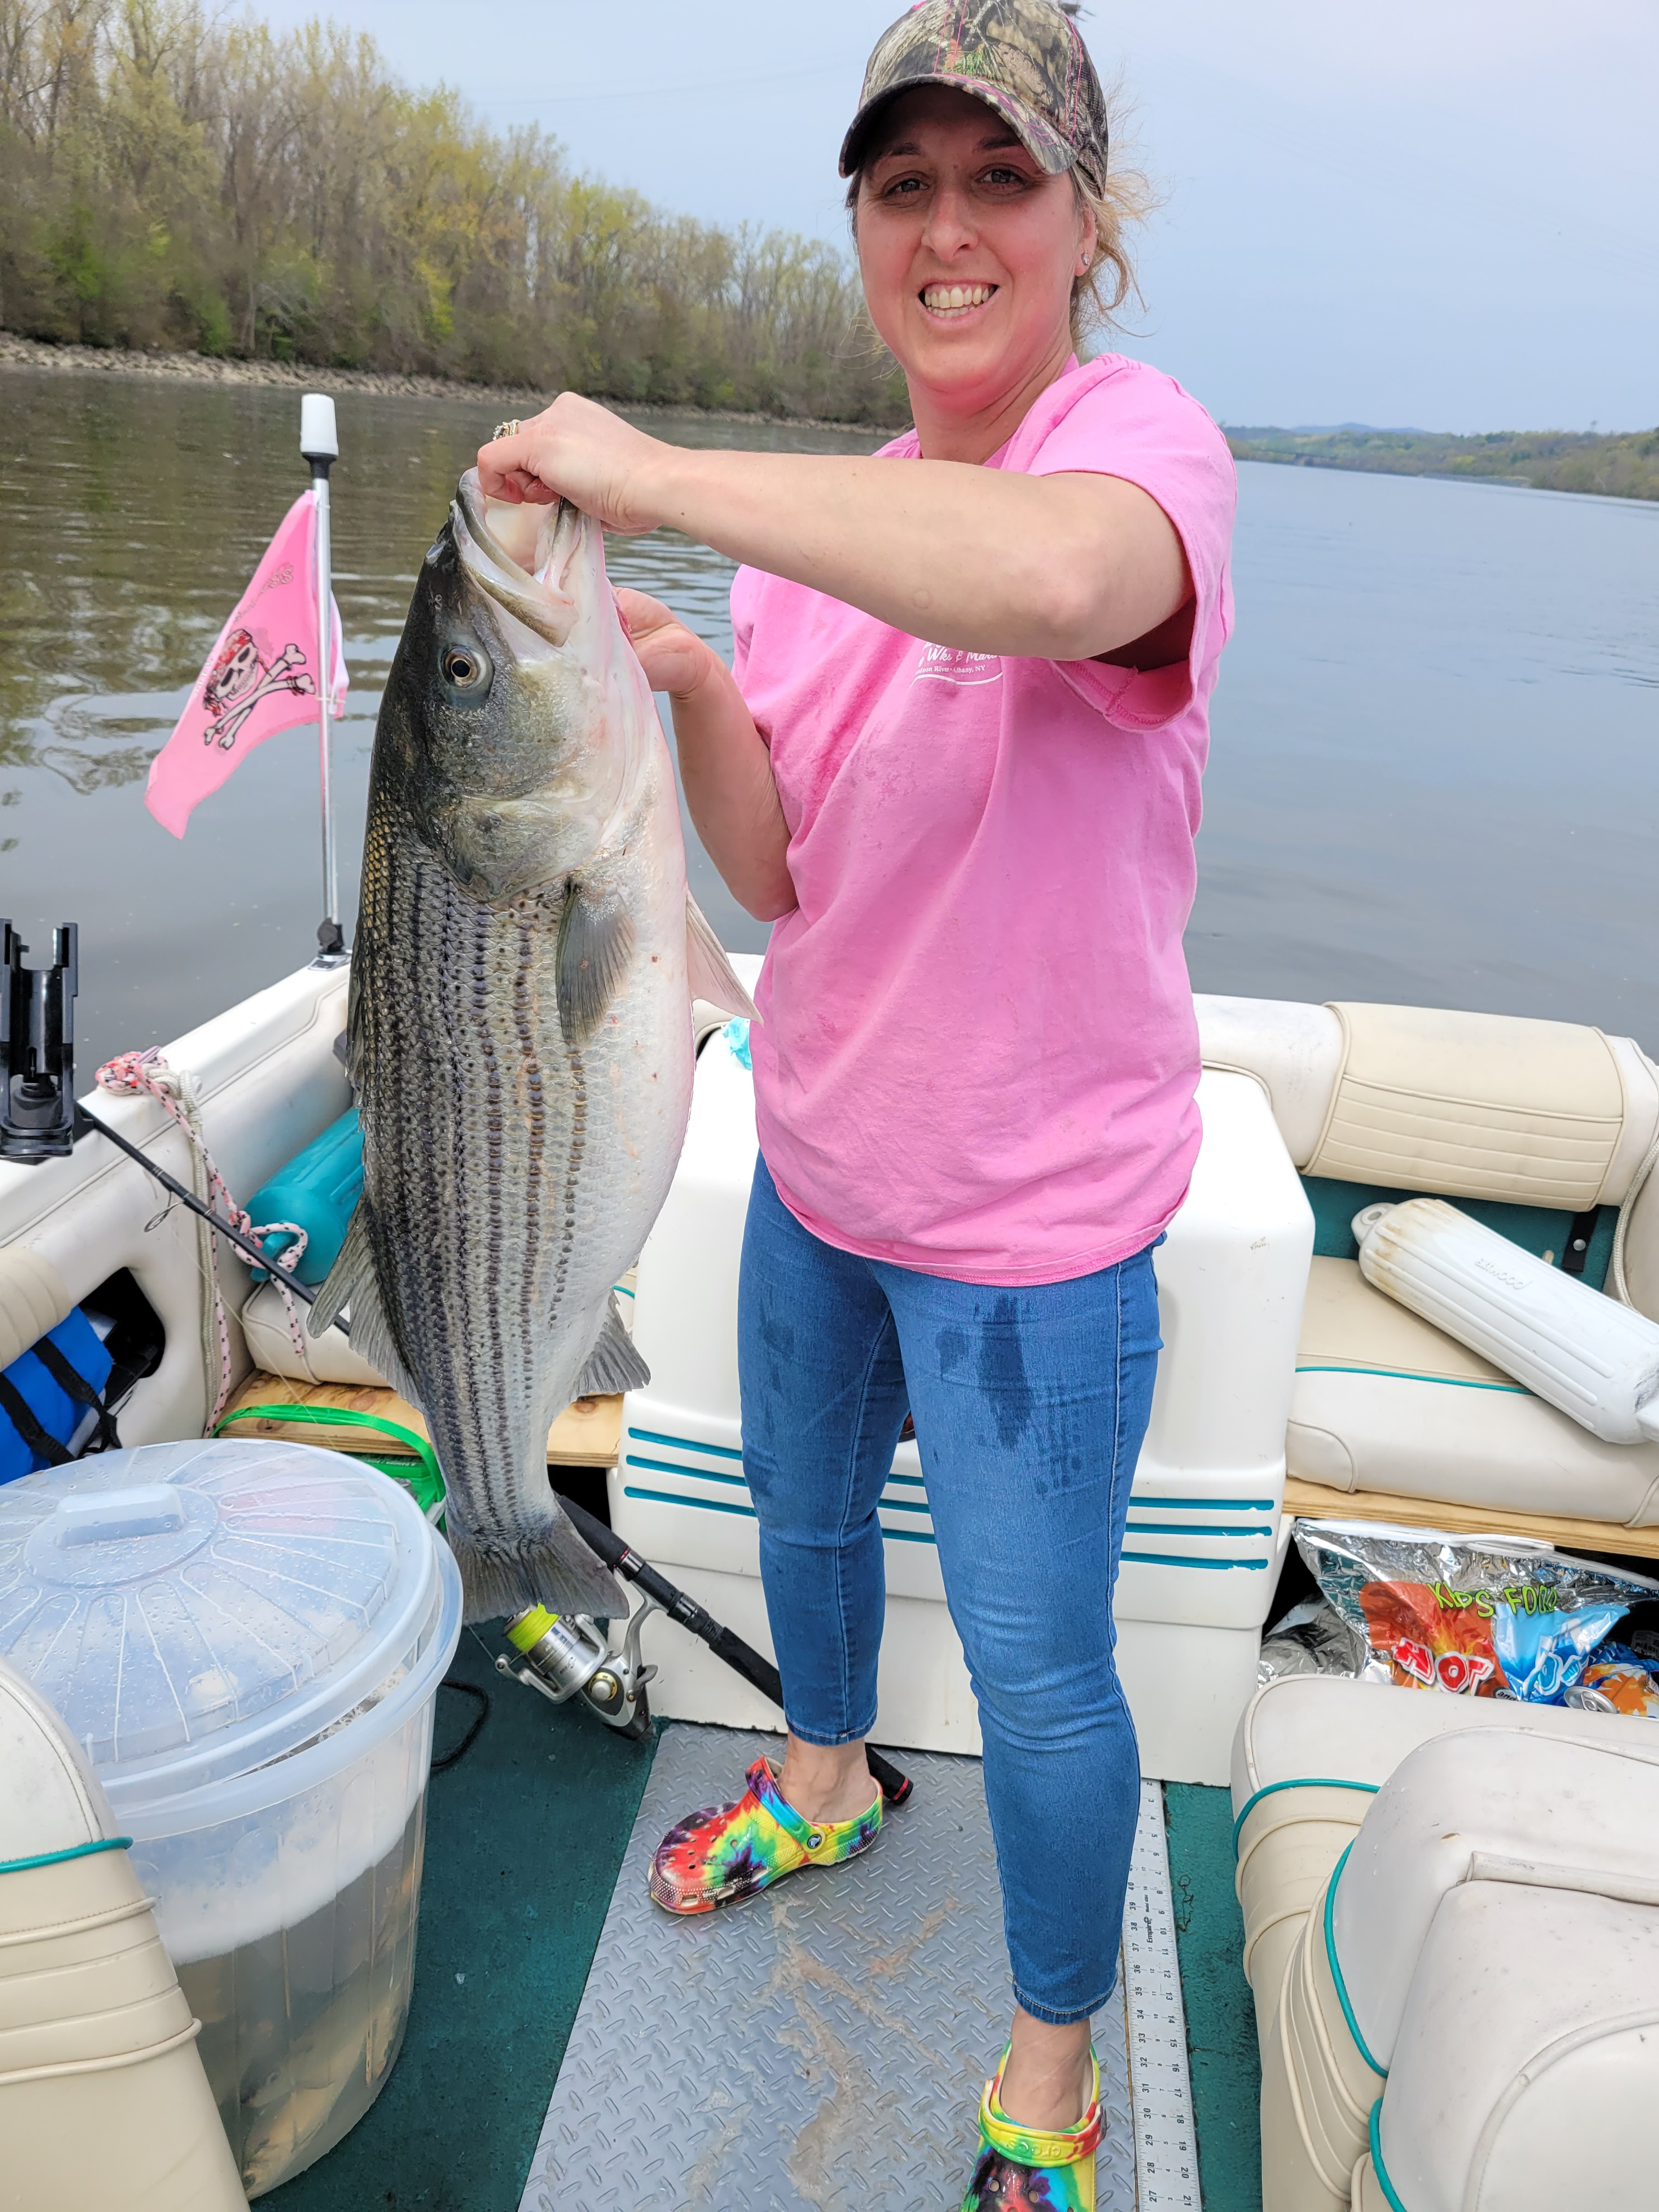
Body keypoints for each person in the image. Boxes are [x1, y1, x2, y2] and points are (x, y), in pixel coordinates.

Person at [478, 3, 1235, 2202]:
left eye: (1000, 178)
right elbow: (786, 871)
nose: (950, 229)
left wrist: (655, 479)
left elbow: (1066, 583)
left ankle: (1055, 2079)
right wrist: (704, 679)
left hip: (1037, 1239)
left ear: (1088, 217)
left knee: (1040, 1672)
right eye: (904, 186)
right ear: (863, 232)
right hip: (820, 1161)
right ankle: (821, 1773)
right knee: (807, 1541)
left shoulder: (1140, 444)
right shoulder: (834, 523)